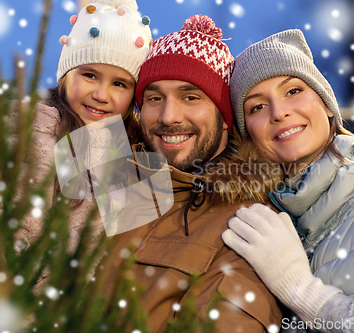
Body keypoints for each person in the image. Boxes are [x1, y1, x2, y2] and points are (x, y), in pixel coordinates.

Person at [96, 15, 283, 333]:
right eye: (155, 99)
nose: (169, 117)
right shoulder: (112, 177)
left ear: (225, 118)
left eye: (191, 97)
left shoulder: (246, 223)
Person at [223, 29, 354, 332]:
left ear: (326, 103)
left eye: (293, 91)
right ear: (248, 137)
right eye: (257, 107)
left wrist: (306, 294)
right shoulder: (265, 217)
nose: (279, 112)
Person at [0, 0, 152, 253]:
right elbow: (1, 248)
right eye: (90, 75)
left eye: (120, 84)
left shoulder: (136, 151)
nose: (102, 95)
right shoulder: (29, 135)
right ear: (65, 74)